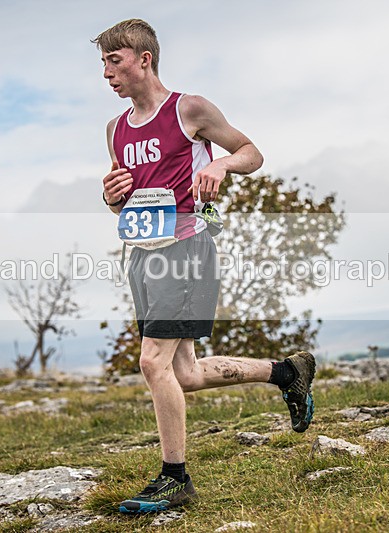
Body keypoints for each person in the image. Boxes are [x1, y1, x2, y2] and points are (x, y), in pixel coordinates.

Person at [93, 19, 316, 514]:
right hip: (142, 254)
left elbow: (251, 152)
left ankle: (176, 479)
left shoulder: (188, 109)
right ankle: (286, 372)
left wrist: (219, 165)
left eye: (114, 61)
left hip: (187, 251)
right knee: (185, 373)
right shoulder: (116, 129)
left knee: (152, 363)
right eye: (102, 64)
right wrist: (111, 198)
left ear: (143, 59)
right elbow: (123, 201)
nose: (106, 73)